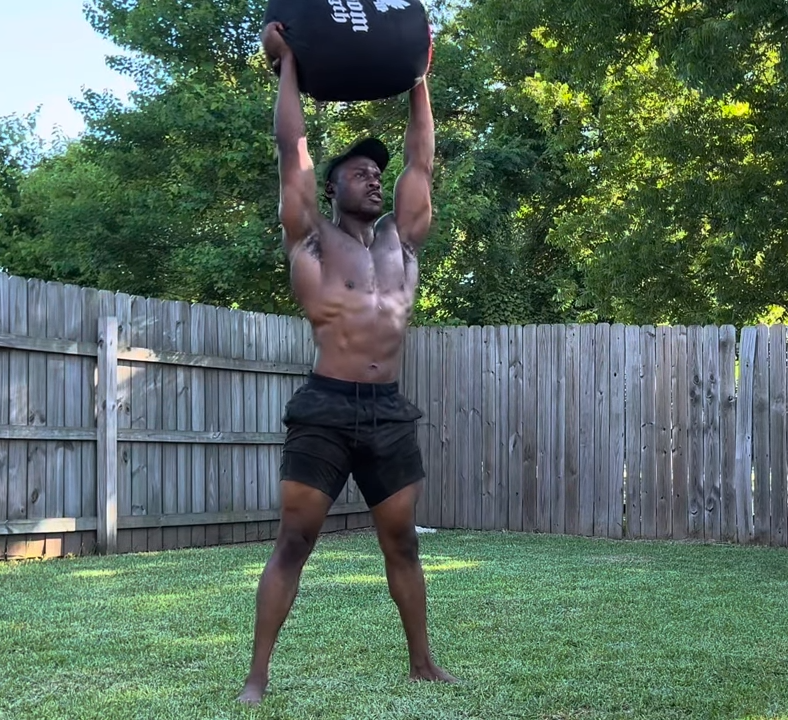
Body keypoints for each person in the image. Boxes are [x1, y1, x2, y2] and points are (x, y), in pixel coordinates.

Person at [237, 22, 457, 705]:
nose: (373, 176)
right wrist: (289, 68)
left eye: (375, 173)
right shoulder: (310, 240)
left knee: (403, 545)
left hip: (388, 411)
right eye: (358, 171)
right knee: (294, 543)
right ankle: (257, 677)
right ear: (331, 187)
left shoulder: (405, 243)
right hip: (326, 407)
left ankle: (422, 663)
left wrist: (419, 77)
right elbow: (290, 147)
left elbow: (421, 159)